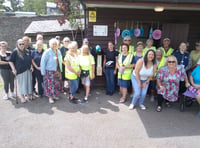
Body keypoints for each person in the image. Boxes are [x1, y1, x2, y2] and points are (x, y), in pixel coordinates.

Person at [9, 39, 33, 103]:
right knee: (22, 84)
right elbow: (10, 61)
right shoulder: (15, 51)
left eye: (23, 44)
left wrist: (31, 66)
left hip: (28, 70)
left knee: (28, 83)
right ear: (17, 44)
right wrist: (13, 69)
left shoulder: (27, 51)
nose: (22, 45)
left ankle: (27, 95)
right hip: (20, 70)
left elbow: (30, 60)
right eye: (20, 44)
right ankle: (22, 96)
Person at [40, 38, 63, 104]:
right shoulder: (47, 52)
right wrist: (43, 72)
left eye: (55, 44)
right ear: (50, 44)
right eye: (53, 44)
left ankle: (55, 95)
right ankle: (50, 97)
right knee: (50, 84)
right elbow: (43, 62)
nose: (54, 45)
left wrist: (60, 70)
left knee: (56, 84)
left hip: (56, 70)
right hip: (49, 71)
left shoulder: (58, 51)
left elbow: (59, 61)